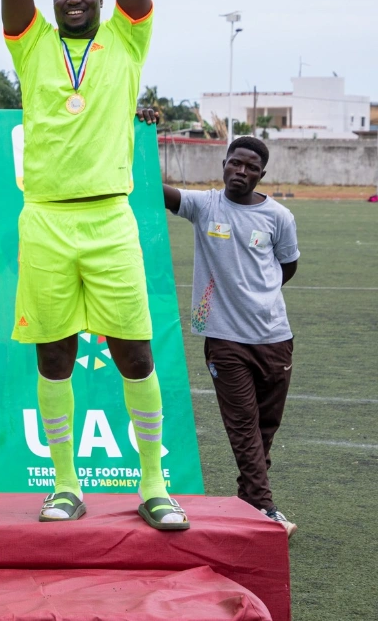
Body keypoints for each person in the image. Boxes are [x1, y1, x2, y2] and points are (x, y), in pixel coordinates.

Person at [0, 0, 187, 530]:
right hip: (45, 218)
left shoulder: (125, 42)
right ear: (51, 1)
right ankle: (67, 484)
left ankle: (150, 483)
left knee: (134, 350)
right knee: (53, 355)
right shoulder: (31, 43)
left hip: (110, 217)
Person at [150, 125, 300, 536]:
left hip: (275, 338)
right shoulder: (205, 205)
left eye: (251, 167)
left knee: (264, 429)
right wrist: (143, 135)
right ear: (223, 165)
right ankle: (265, 508)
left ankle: (249, 499)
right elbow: (154, 189)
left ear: (261, 175)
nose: (240, 171)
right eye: (234, 162)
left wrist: (258, 297)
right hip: (223, 339)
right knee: (243, 426)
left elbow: (287, 267)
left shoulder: (278, 217)